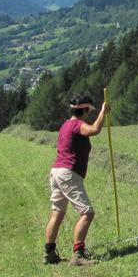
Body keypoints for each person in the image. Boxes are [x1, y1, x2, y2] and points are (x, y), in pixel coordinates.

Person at [44, 93, 108, 266]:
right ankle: (78, 255)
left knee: (57, 212)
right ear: (85, 110)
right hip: (68, 173)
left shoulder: (65, 125)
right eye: (89, 111)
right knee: (87, 213)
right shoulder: (77, 125)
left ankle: (49, 254)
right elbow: (94, 130)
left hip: (56, 172)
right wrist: (103, 112)